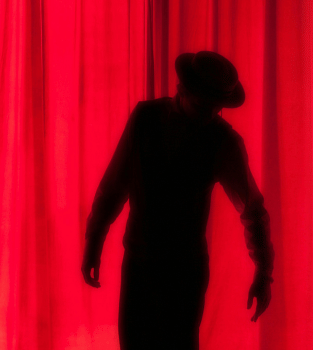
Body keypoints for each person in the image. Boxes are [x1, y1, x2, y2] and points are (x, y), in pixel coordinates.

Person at [81, 51, 274, 349]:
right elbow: (115, 183)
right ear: (181, 90)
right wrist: (94, 238)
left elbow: (252, 210)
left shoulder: (223, 141)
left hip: (185, 271)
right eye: (203, 105)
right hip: (140, 262)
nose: (210, 114)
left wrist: (264, 272)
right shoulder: (145, 119)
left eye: (216, 108)